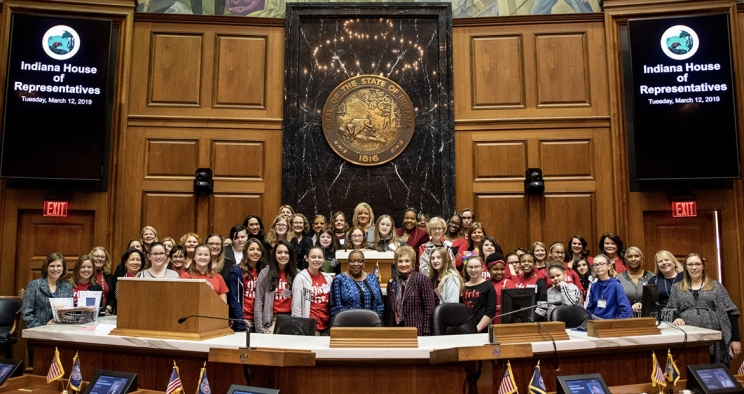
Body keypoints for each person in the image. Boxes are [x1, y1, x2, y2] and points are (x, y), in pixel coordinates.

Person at [669, 253, 740, 365]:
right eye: (690, 264)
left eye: (697, 264)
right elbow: (670, 310)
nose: (694, 267)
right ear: (685, 267)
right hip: (687, 338)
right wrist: (676, 318)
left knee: (716, 370)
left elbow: (731, 312)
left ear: (703, 266)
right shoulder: (677, 287)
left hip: (715, 339)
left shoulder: (715, 286)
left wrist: (735, 339)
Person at [385, 246, 435, 335]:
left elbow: (429, 309)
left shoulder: (422, 280)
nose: (403, 264)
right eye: (400, 261)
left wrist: (426, 332)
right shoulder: (392, 282)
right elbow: (389, 311)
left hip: (416, 329)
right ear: (396, 263)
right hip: (395, 330)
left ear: (413, 262)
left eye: (407, 261)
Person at [254, 240, 298, 333]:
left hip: (292, 319)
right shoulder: (265, 273)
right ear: (274, 254)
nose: (283, 255)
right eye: (279, 252)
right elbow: (259, 302)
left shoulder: (298, 274)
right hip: (272, 320)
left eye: (286, 252)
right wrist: (259, 329)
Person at [330, 250, 384, 319]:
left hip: (372, 323)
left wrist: (376, 319)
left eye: (360, 261)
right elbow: (336, 308)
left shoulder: (373, 278)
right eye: (352, 261)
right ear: (348, 263)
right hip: (347, 324)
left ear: (364, 263)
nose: (356, 264)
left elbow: (380, 305)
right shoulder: (339, 279)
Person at [292, 246, 334, 334]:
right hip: (309, 326)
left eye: (320, 257)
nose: (317, 260)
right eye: (313, 257)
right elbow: (296, 306)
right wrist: (297, 328)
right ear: (307, 259)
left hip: (326, 325)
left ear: (323, 260)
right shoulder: (301, 278)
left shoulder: (328, 278)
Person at [229, 238, 267, 332]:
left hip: (260, 319)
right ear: (245, 252)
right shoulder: (237, 272)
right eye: (251, 249)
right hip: (244, 318)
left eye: (258, 249)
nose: (255, 252)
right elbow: (234, 300)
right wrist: (240, 321)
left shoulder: (265, 271)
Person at [585, 254, 632, 320]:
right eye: (595, 265)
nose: (598, 267)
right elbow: (589, 308)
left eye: (601, 264)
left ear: (609, 266)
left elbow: (627, 310)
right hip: (595, 321)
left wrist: (616, 323)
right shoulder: (594, 286)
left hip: (611, 323)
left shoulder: (616, 285)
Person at [462, 256, 496, 332]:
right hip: (465, 328)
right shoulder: (463, 286)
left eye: (476, 267)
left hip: (482, 329)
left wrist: (476, 330)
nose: (473, 270)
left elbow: (490, 312)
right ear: (466, 268)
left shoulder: (488, 286)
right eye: (470, 267)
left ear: (482, 268)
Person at [617, 246, 653, 311]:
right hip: (625, 316)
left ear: (641, 259)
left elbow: (656, 299)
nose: (633, 259)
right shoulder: (618, 278)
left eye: (636, 256)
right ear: (626, 261)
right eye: (630, 257)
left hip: (648, 316)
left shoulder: (652, 277)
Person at [486, 253, 516, 324]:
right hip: (488, 318)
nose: (499, 272)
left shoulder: (508, 283)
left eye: (502, 269)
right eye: (495, 269)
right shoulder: (486, 284)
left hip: (504, 318)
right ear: (488, 269)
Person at [89, 246, 115, 315]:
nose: (99, 259)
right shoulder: (86, 274)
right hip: (89, 311)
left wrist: (108, 308)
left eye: (102, 257)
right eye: (97, 256)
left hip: (106, 313)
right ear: (91, 257)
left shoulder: (109, 276)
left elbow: (112, 296)